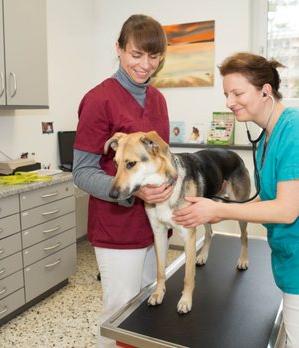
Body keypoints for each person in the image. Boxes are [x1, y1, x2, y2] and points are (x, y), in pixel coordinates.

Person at [173, 52, 299, 348]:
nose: (229, 102)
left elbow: (286, 210)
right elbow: (268, 200)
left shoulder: (293, 131)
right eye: (226, 94)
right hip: (287, 260)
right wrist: (221, 213)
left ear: (266, 91)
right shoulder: (268, 136)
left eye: (237, 93)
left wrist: (220, 207)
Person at [73, 14, 173, 347]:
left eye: (154, 56)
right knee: (119, 316)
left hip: (155, 224)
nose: (146, 65)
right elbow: (83, 171)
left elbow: (162, 159)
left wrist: (170, 188)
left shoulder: (158, 99)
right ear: (118, 49)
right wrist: (133, 191)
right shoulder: (98, 100)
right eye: (136, 54)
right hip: (117, 227)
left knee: (148, 308)